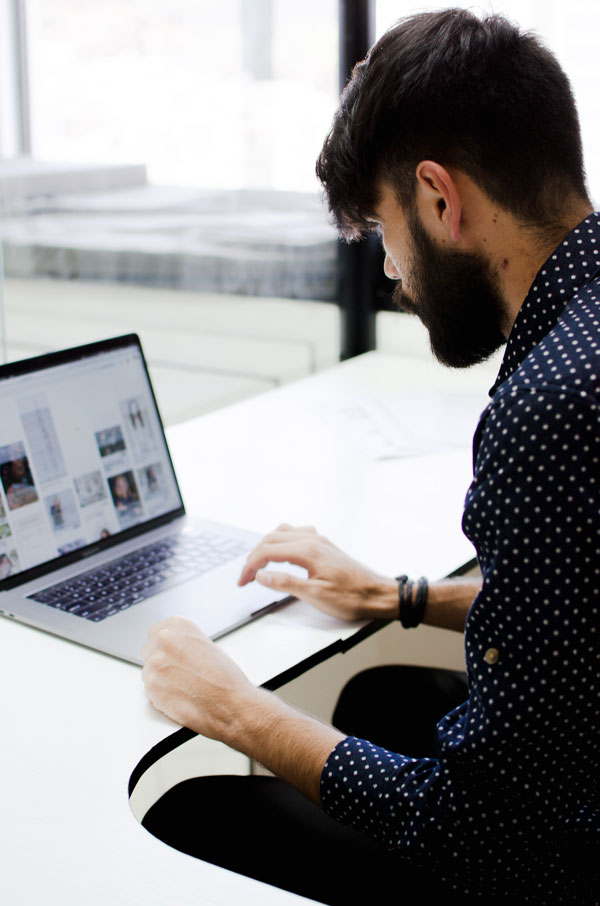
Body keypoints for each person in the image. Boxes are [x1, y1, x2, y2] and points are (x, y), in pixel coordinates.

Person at [141, 9, 599, 904]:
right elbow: (575, 612)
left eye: (385, 232)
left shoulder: (551, 409)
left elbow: (480, 833)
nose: (393, 275)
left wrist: (236, 710)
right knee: (382, 698)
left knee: (194, 806)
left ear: (440, 199)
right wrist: (400, 597)